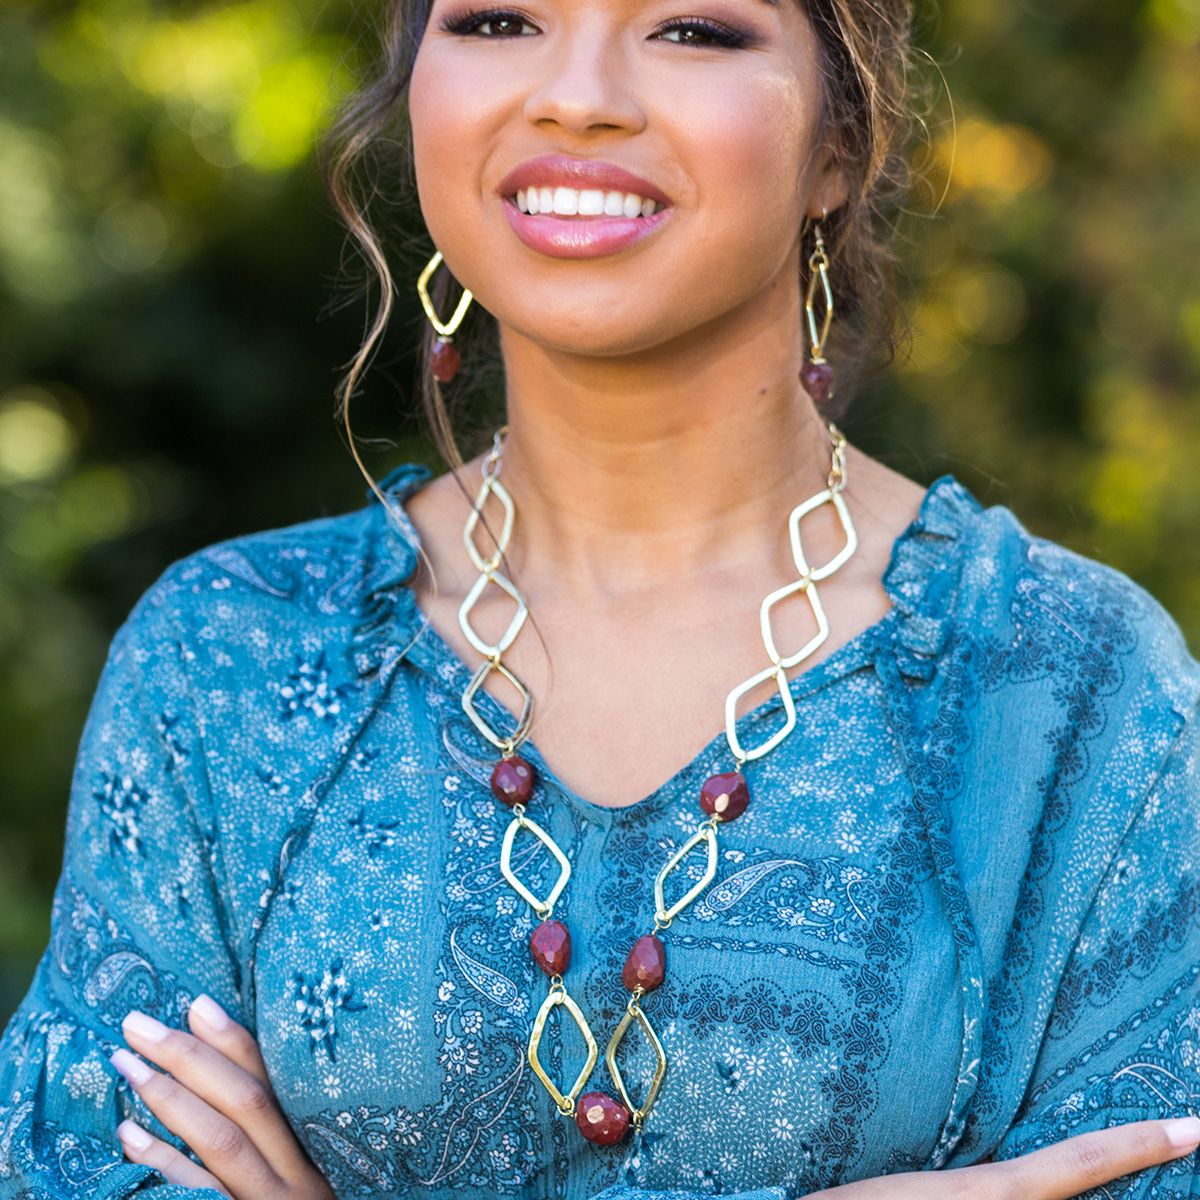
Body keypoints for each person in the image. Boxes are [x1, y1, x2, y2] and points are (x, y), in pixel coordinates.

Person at [2, 0, 1198, 1197]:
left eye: (691, 30)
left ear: (840, 142)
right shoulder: (231, 661)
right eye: (500, 17)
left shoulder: (1069, 690)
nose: (576, 95)